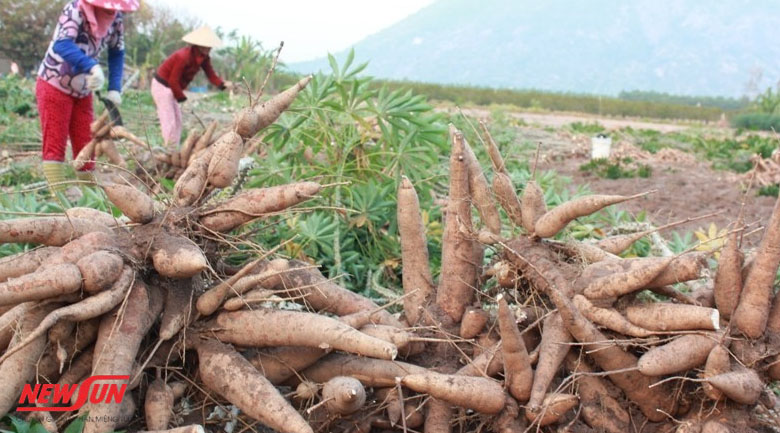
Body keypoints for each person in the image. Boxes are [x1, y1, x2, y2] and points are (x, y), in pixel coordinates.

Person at [36, 0, 138, 191]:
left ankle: (90, 200)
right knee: (55, 144)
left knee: (86, 144)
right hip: (54, 84)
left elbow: (117, 52)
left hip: (83, 90)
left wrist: (115, 87)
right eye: (107, 7)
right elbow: (62, 45)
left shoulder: (116, 18)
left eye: (115, 8)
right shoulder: (75, 9)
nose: (112, 12)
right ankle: (60, 204)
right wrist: (91, 65)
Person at [152, 26, 234, 147]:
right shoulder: (183, 57)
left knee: (178, 120)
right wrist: (181, 98)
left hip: (172, 88)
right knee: (169, 120)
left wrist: (222, 85)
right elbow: (173, 80)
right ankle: (169, 148)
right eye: (205, 46)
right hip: (162, 86)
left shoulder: (204, 59)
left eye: (209, 46)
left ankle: (175, 148)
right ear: (198, 45)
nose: (207, 49)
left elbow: (211, 74)